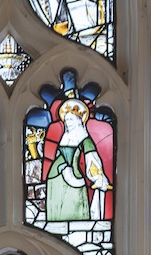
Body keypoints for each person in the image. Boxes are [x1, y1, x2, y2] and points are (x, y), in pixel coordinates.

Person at [42, 95, 112, 225]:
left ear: (79, 120)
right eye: (66, 120)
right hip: (55, 177)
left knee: (75, 205)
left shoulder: (85, 139)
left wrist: (98, 178)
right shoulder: (65, 137)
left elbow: (92, 160)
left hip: (73, 176)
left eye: (71, 119)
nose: (68, 123)